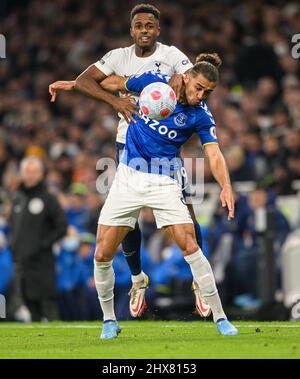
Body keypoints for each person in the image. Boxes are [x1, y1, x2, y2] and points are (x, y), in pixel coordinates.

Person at [48, 3, 209, 318]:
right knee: (128, 219)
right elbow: (85, 80)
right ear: (132, 29)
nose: (144, 30)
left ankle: (199, 283)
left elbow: (193, 81)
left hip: (164, 147)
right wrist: (116, 101)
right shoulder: (118, 56)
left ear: (157, 30)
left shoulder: (173, 55)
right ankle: (138, 279)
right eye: (139, 25)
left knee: (185, 213)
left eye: (150, 25)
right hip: (128, 146)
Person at [93, 53, 238, 338]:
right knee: (101, 253)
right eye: (198, 88)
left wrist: (226, 185)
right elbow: (110, 82)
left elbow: (213, 153)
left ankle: (220, 317)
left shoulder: (200, 115)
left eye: (207, 92)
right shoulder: (152, 84)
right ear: (186, 77)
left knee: (190, 246)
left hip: (164, 179)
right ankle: (109, 320)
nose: (201, 95)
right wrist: (118, 99)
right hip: (128, 175)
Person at [9, 156, 68, 321]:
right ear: (21, 174)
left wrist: (43, 244)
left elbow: (62, 226)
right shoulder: (18, 198)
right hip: (22, 263)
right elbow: (14, 226)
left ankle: (58, 340)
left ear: (42, 174)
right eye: (27, 171)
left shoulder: (48, 198)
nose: (31, 175)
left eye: (34, 172)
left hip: (42, 262)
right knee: (29, 303)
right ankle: (38, 340)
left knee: (47, 304)